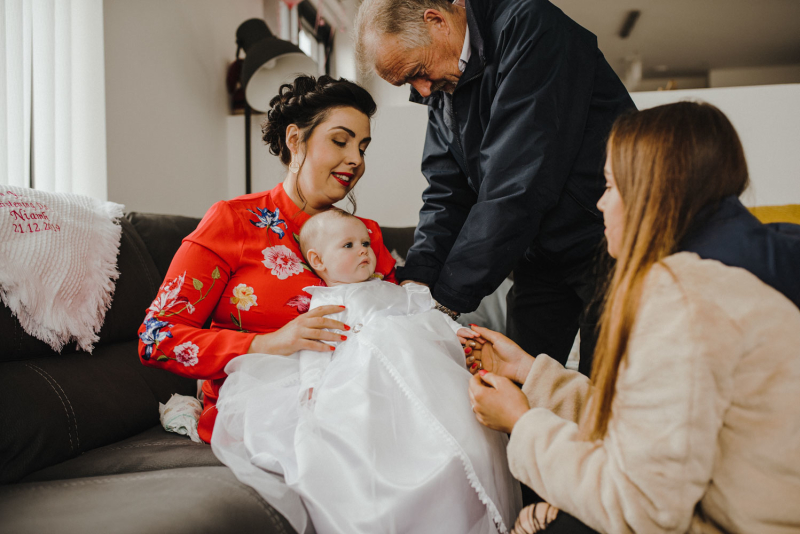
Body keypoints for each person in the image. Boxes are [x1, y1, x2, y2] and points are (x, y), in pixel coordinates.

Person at [467, 102, 800, 533]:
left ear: (651, 193)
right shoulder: (717, 273)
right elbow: (649, 429)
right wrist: (530, 375)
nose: (601, 203)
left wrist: (521, 423)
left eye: (609, 185)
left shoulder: (683, 296)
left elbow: (640, 509)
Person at [354, 0, 636, 375]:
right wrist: (418, 280)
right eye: (408, 83)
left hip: (606, 240)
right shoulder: (442, 81)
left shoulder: (531, 28)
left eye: (417, 73)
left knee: (606, 386)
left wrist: (446, 299)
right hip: (538, 251)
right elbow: (446, 189)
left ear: (436, 21)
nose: (421, 90)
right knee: (515, 382)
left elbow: (517, 181)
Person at [212, 209, 521, 534]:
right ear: (318, 260)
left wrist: (456, 331)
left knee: (458, 435)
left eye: (365, 243)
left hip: (418, 374)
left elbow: (429, 315)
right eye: (348, 245)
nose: (363, 250)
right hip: (360, 382)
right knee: (366, 438)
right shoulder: (327, 303)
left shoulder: (394, 290)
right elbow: (316, 348)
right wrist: (311, 384)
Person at [137, 75, 398, 446]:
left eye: (363, 148)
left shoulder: (366, 235)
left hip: (357, 403)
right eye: (340, 141)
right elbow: (156, 338)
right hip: (261, 415)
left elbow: (393, 327)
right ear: (295, 140)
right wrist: (270, 343)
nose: (356, 159)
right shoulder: (233, 221)